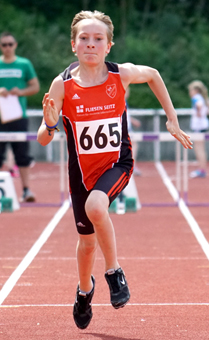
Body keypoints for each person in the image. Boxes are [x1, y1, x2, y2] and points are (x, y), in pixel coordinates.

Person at [37, 10, 193, 329]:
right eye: (84, 38)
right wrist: (51, 123)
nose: (90, 44)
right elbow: (43, 137)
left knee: (97, 206)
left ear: (108, 46)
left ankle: (114, 271)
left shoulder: (119, 75)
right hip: (81, 174)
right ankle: (84, 291)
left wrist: (172, 119)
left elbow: (152, 74)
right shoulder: (62, 85)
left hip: (116, 163)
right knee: (86, 242)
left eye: (98, 39)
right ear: (73, 45)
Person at [0, 32, 40, 201]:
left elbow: (35, 86)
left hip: (18, 116)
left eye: (10, 44)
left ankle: (26, 190)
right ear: (0, 46)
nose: (7, 48)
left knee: (22, 155)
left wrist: (21, 92)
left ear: (15, 45)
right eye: (4, 45)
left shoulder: (24, 64)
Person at [188, 80, 208, 178]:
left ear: (195, 90)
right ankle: (202, 168)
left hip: (199, 127)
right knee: (201, 148)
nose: (190, 93)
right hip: (203, 126)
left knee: (199, 148)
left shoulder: (196, 98)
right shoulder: (203, 98)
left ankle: (202, 169)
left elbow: (199, 106)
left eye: (191, 90)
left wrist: (199, 113)